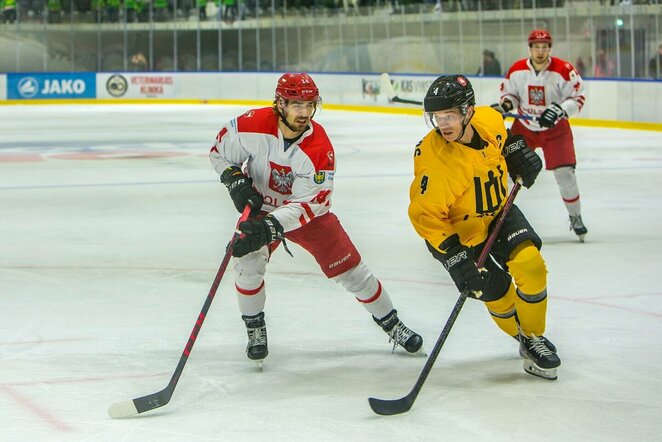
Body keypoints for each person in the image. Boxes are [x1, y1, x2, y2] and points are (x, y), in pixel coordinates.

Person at [209, 72, 423, 364]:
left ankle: (391, 323)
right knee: (246, 267)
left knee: (352, 271)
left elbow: (311, 202)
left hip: (307, 216)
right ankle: (255, 327)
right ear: (280, 103)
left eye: (310, 105)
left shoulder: (320, 147)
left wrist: (271, 226)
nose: (304, 112)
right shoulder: (250, 125)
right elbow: (220, 151)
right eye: (297, 104)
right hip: (261, 208)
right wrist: (234, 179)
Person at [408, 74, 560, 380]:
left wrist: (518, 151)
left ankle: (532, 339)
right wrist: (455, 257)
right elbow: (426, 217)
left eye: (449, 115)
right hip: (457, 236)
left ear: (469, 110)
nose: (443, 124)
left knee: (531, 267)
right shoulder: (437, 164)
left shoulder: (488, 119)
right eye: (436, 118)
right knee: (496, 292)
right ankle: (522, 337)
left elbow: (506, 139)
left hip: (497, 213)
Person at [492, 29, 588, 242]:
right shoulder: (517, 70)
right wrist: (505, 106)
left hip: (555, 129)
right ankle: (497, 219)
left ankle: (575, 216)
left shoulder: (564, 70)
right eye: (537, 47)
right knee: (506, 172)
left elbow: (578, 97)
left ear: (549, 49)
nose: (541, 51)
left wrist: (560, 110)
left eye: (544, 47)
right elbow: (510, 95)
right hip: (524, 126)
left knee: (565, 174)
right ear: (530, 48)